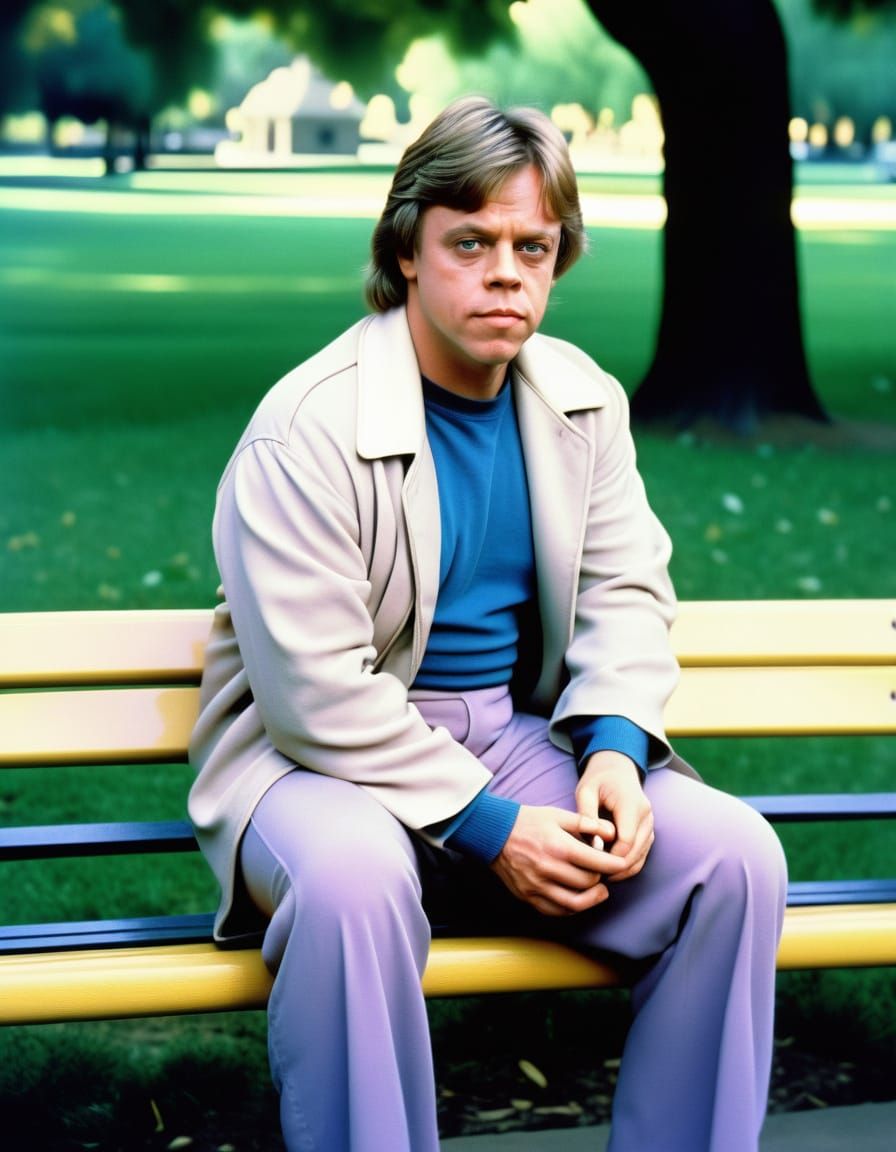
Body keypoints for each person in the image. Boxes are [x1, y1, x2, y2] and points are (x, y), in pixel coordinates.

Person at [188, 96, 787, 1152]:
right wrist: (487, 829)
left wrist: (610, 750)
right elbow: (312, 692)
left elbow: (625, 594)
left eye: (532, 246)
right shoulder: (304, 427)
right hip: (315, 765)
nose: (505, 271)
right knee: (350, 885)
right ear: (405, 251)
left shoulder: (580, 399)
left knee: (731, 858)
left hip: (510, 741)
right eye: (469, 242)